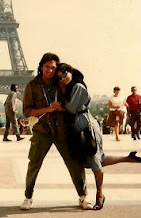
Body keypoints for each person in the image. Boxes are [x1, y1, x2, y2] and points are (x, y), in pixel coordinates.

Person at [53, 63, 141, 210]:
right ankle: (129, 158)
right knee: (98, 158)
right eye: (59, 78)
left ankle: (100, 194)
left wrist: (61, 105)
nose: (62, 79)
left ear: (70, 72)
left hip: (86, 128)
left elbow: (71, 109)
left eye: (64, 75)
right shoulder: (71, 87)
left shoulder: (78, 87)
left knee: (95, 162)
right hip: (80, 127)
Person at [20, 53, 90, 211]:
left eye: (53, 67)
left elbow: (76, 95)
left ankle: (83, 195)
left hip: (62, 129)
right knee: (34, 164)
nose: (50, 70)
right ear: (41, 67)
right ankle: (28, 197)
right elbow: (27, 111)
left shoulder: (62, 83)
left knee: (74, 164)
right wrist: (49, 108)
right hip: (42, 130)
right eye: (47, 67)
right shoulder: (32, 85)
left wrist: (62, 106)